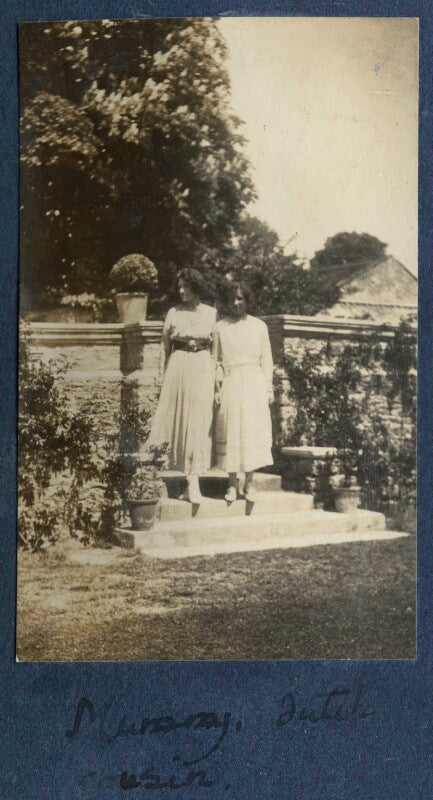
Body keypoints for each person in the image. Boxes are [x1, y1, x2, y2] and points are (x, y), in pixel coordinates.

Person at [147, 268, 217, 504]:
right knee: (177, 421)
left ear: (196, 287)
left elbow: (217, 349)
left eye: (186, 286)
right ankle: (179, 476)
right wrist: (160, 376)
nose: (181, 290)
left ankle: (193, 479)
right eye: (179, 287)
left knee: (199, 421)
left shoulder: (211, 313)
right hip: (178, 366)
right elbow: (164, 347)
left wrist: (218, 381)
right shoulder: (173, 313)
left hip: (202, 366)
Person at [212, 280, 274, 503]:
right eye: (232, 299)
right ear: (227, 302)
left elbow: (266, 358)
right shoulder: (220, 327)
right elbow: (216, 360)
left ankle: (249, 484)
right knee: (231, 431)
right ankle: (231, 484)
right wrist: (216, 387)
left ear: (247, 300)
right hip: (231, 383)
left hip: (254, 384)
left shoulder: (259, 326)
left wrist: (268, 387)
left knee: (251, 432)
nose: (236, 303)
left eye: (241, 298)